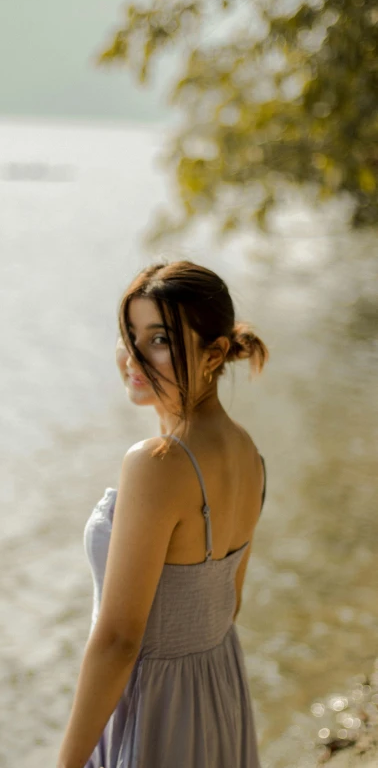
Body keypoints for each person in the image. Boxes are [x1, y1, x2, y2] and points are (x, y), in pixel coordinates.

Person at [57, 259, 269, 768]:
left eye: (159, 339)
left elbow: (117, 642)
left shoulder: (158, 465)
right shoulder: (249, 455)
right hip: (218, 694)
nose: (132, 356)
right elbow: (227, 606)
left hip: (152, 708)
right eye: (128, 334)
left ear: (214, 353)